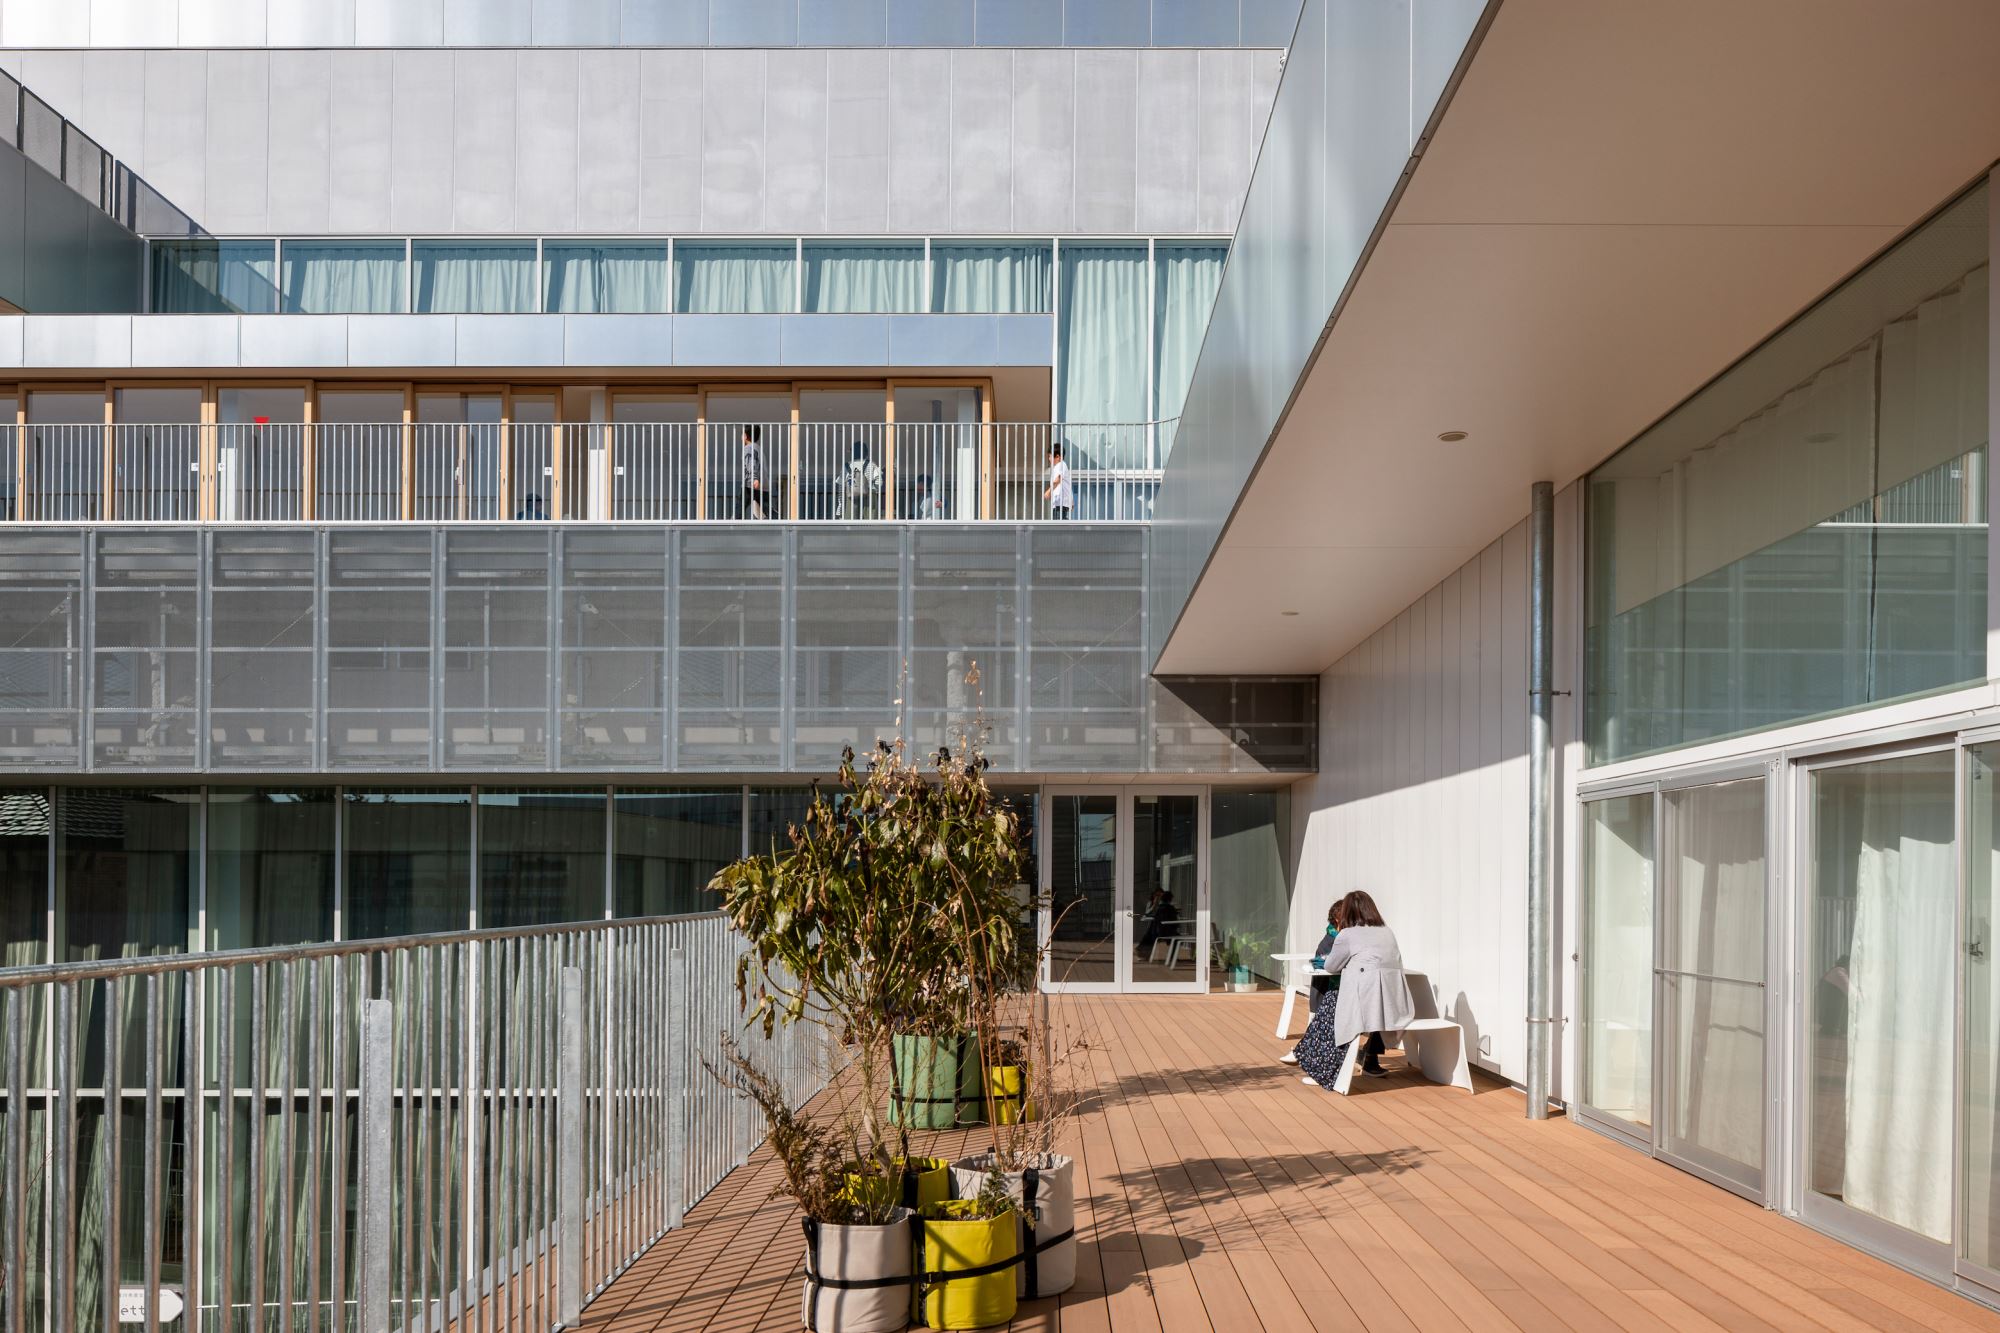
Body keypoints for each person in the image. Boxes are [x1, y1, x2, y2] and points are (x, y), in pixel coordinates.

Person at [1294, 891, 1415, 1085]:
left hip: (1367, 1004)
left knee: (1331, 1003)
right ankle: (1368, 1059)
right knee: (1347, 1003)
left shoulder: (1347, 934)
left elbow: (1331, 966)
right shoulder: (1387, 932)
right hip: (1393, 1004)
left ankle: (1323, 1069)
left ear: (1347, 912)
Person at [1278, 903, 1343, 1065]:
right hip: (1326, 990)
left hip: (1338, 991)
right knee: (1323, 1019)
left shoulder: (1339, 937)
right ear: (1338, 918)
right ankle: (1303, 1052)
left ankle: (1369, 1058)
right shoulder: (1331, 940)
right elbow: (1328, 965)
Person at [834, 440, 883, 520]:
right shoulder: (871, 465)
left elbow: (841, 488)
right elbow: (879, 482)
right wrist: (872, 490)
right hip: (869, 500)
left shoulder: (847, 466)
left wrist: (840, 507)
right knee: (869, 524)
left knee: (852, 524)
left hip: (851, 498)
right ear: (866, 453)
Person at [1135, 889, 1179, 959]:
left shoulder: (1159, 908)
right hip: (1166, 932)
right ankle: (1172, 957)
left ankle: (1143, 952)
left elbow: (1151, 916)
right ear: (1170, 899)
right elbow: (1175, 923)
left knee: (1150, 933)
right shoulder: (1170, 908)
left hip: (1157, 932)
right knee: (1177, 937)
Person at [741, 425, 766, 518]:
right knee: (766, 508)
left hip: (750, 483)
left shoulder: (748, 448)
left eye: (742, 434)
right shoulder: (757, 448)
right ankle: (777, 519)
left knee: (739, 508)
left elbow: (752, 463)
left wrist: (754, 478)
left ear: (746, 436)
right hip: (759, 484)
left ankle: (733, 523)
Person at [1043, 442, 1072, 519]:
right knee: (1060, 521)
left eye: (1050, 456)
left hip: (1060, 504)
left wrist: (1049, 491)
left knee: (1059, 522)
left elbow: (1058, 479)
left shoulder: (1061, 465)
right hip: (1059, 504)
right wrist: (1071, 501)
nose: (1049, 459)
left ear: (1057, 457)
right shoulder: (1060, 466)